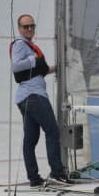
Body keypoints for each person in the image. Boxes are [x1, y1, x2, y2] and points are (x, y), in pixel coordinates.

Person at [11, 13, 68, 186]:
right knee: (52, 131)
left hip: (25, 97)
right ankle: (57, 173)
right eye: (25, 27)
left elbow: (39, 71)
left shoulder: (30, 46)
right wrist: (33, 58)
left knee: (31, 139)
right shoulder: (21, 44)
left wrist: (59, 67)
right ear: (19, 29)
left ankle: (34, 178)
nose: (29, 29)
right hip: (34, 96)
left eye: (32, 26)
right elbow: (16, 65)